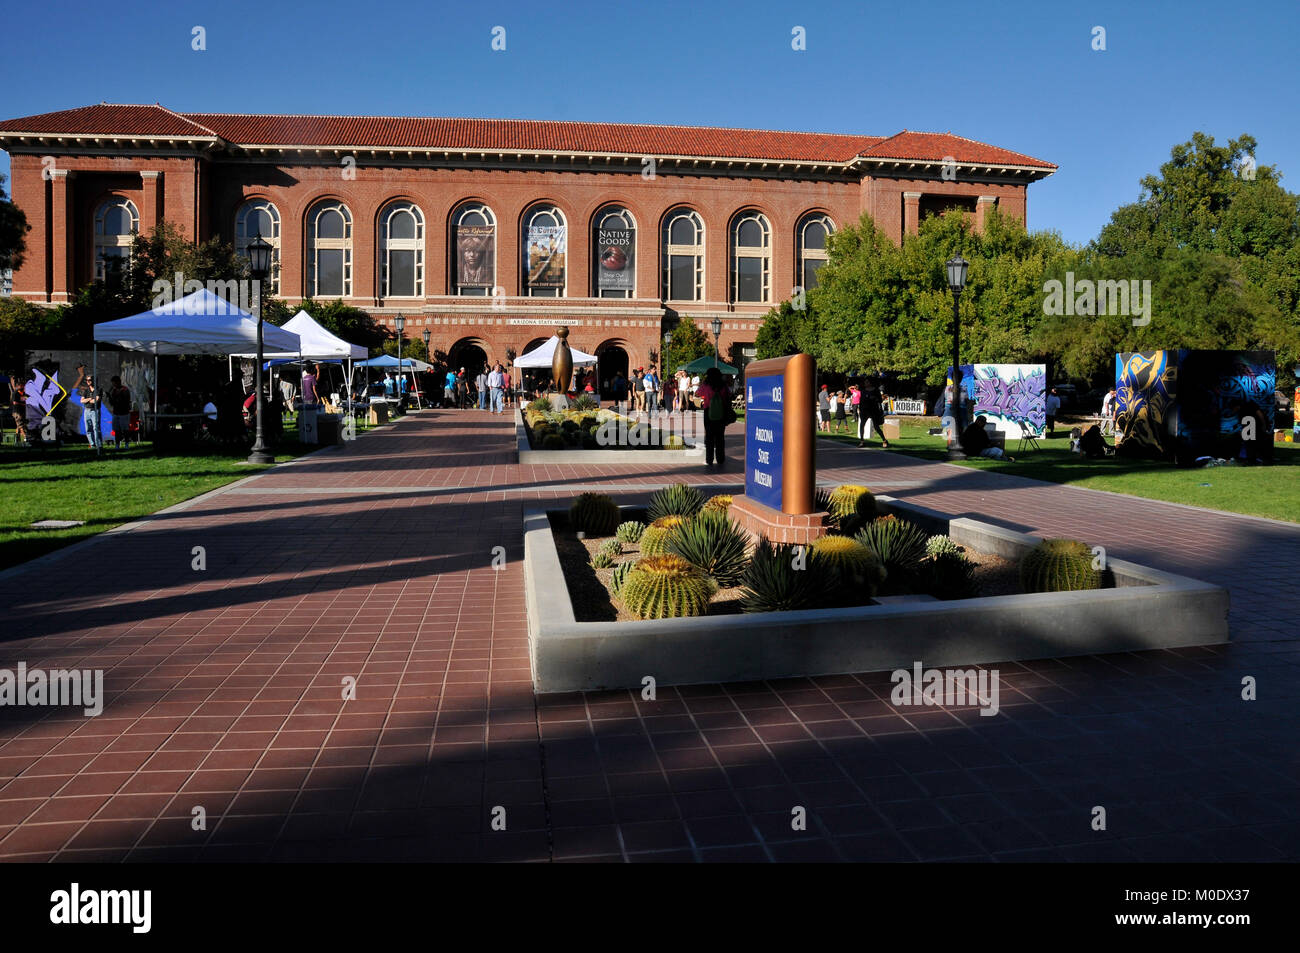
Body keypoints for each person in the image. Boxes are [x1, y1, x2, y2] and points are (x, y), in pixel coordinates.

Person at [697, 366, 732, 469]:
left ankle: (709, 460)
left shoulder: (706, 385)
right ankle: (720, 459)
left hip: (709, 412)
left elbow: (698, 393)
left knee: (709, 437)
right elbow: (728, 396)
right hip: (721, 412)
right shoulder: (723, 385)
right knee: (720, 437)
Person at [73, 364, 103, 450]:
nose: (88, 382)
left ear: (93, 380)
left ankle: (99, 445)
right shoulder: (86, 390)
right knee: (88, 429)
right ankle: (92, 444)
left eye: (89, 380)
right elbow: (82, 400)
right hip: (87, 410)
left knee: (96, 428)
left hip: (95, 411)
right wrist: (90, 398)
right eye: (87, 380)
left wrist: (88, 400)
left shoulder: (98, 389)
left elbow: (96, 400)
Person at [858, 380, 891, 448]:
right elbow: (861, 400)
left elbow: (880, 400)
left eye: (867, 382)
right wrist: (860, 409)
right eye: (865, 382)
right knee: (862, 425)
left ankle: (884, 441)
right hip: (864, 410)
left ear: (870, 383)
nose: (865, 383)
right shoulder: (863, 390)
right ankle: (862, 441)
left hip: (873, 410)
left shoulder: (876, 390)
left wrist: (873, 398)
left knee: (876, 427)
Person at [107, 375, 132, 449]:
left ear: (118, 382)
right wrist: (109, 396)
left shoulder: (125, 390)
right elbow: (112, 403)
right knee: (116, 430)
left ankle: (126, 444)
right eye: (112, 383)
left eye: (114, 383)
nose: (113, 385)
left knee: (125, 430)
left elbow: (124, 401)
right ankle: (117, 445)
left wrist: (115, 400)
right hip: (116, 413)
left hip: (124, 413)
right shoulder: (114, 391)